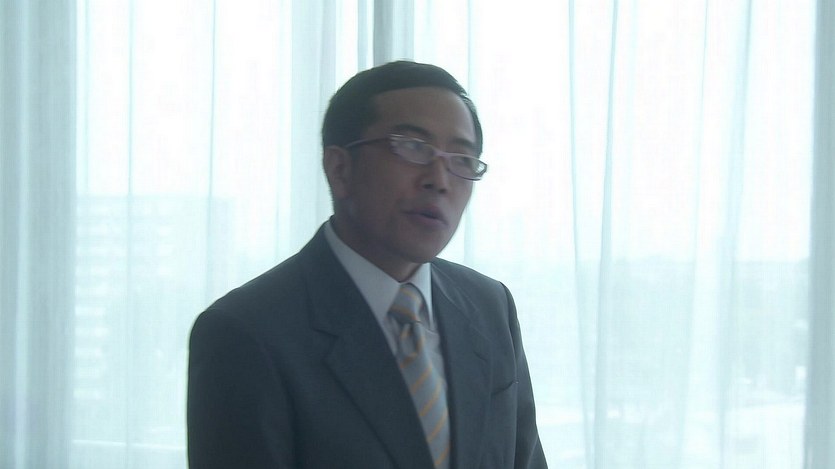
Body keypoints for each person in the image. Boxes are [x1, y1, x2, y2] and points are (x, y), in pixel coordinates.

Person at [187, 60, 548, 469]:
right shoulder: (246, 332)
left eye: (462, 159)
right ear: (340, 168)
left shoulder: (489, 305)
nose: (439, 179)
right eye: (413, 147)